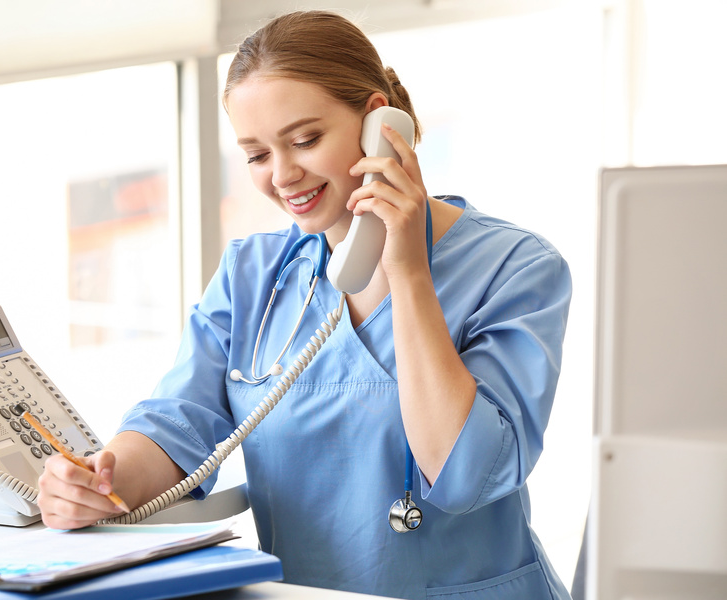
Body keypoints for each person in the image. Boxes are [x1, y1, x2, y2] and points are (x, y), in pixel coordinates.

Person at [38, 10, 573, 600]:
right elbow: (177, 428)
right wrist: (97, 482)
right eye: (256, 154)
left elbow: (466, 476)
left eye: (305, 140)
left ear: (379, 124)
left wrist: (408, 273)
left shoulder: (516, 268)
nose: (282, 175)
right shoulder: (253, 275)